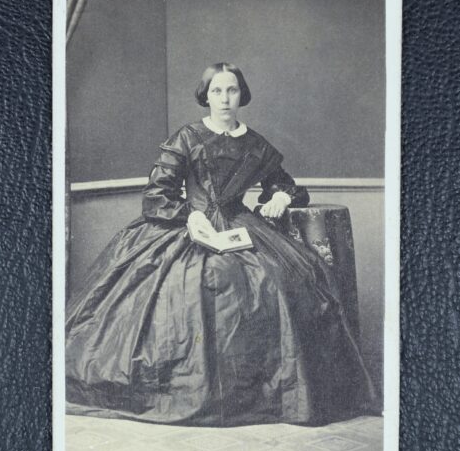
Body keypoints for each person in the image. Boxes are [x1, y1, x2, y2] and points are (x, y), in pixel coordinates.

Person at [66, 62, 376, 426]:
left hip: (240, 222)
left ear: (241, 95)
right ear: (206, 95)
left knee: (278, 279)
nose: (225, 98)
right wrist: (189, 215)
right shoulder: (187, 137)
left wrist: (280, 197)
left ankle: (258, 391)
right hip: (189, 225)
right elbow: (156, 195)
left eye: (232, 90)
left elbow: (287, 184)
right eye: (217, 91)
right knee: (194, 285)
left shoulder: (255, 143)